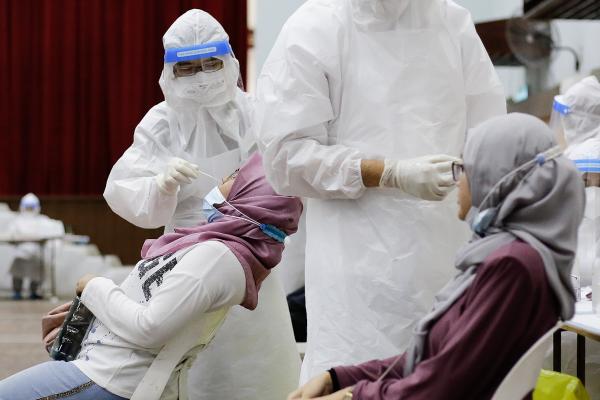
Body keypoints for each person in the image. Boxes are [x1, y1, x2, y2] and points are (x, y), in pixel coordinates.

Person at [256, 0, 507, 381]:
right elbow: (285, 158)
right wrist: (388, 173)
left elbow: (490, 138)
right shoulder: (315, 28)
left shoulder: (450, 21)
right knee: (355, 379)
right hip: (356, 272)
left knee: (444, 376)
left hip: (445, 259)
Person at [288, 113, 584, 399]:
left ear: (497, 178)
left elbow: (440, 388)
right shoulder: (508, 257)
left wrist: (351, 396)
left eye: (465, 168)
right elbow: (434, 360)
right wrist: (338, 378)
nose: (458, 181)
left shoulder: (512, 265)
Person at [0, 153, 303, 400]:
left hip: (112, 377)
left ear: (253, 196)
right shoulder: (213, 247)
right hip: (102, 366)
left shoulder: (217, 257)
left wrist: (94, 287)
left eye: (236, 176)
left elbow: (150, 327)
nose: (225, 178)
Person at [104, 9, 254, 233]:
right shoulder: (161, 121)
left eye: (211, 64)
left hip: (251, 229)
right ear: (171, 71)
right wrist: (161, 185)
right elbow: (122, 189)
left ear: (227, 61)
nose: (201, 76)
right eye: (187, 67)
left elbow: (279, 176)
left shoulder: (251, 111)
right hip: (185, 237)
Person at [9, 193, 64, 300]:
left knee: (37, 271)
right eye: (27, 207)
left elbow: (54, 231)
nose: (29, 210)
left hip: (37, 253)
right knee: (17, 271)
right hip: (21, 253)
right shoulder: (17, 221)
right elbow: (11, 236)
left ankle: (33, 291)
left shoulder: (43, 220)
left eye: (31, 207)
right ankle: (17, 291)